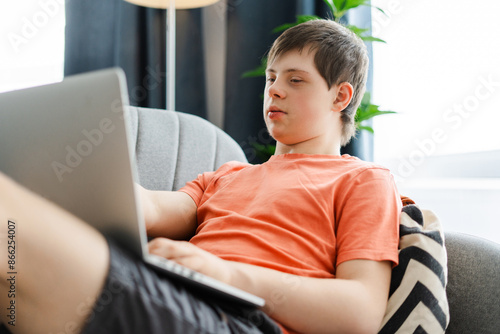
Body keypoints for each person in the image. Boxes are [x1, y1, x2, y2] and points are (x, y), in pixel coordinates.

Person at [0, 19, 401, 334]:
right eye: (271, 78)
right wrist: (65, 168)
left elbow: (360, 311)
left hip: (240, 321)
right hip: (175, 296)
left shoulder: (364, 180)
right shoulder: (227, 175)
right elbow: (150, 207)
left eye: (295, 79)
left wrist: (227, 275)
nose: (275, 90)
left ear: (340, 96)